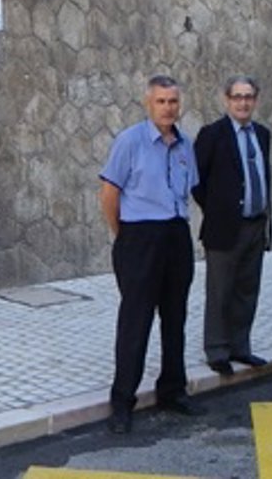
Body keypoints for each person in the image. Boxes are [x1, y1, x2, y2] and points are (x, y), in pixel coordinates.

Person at [100, 75, 206, 434]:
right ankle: (122, 403)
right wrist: (125, 236)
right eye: (161, 101)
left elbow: (187, 192)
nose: (168, 108)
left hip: (176, 236)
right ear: (148, 104)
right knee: (135, 322)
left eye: (173, 101)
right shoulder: (129, 142)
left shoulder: (185, 145)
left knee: (175, 318)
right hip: (139, 238)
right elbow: (109, 194)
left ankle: (172, 390)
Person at [192, 75, 272, 377]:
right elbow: (197, 182)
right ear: (227, 100)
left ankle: (241, 346)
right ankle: (217, 350)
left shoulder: (262, 134)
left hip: (255, 225)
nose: (243, 102)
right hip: (225, 228)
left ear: (255, 100)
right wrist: (218, 210)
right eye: (237, 97)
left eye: (248, 97)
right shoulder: (212, 134)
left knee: (247, 289)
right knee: (220, 291)